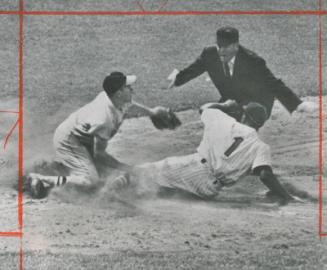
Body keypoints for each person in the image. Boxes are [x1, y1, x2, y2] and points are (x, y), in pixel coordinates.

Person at [116, 102, 300, 205]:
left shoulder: (224, 120)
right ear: (260, 123)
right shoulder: (261, 146)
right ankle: (152, 192)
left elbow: (204, 108)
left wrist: (226, 105)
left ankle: (105, 193)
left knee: (140, 171)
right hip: (210, 189)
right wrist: (285, 195)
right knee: (168, 192)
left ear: (244, 116)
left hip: (193, 168)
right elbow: (265, 174)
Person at [27, 71, 173, 198]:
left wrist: (152, 112)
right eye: (128, 87)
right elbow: (100, 155)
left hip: (83, 138)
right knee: (90, 181)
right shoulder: (104, 119)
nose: (132, 89)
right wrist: (126, 167)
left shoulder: (113, 98)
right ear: (119, 93)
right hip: (70, 142)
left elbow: (130, 105)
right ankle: (43, 180)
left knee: (108, 175)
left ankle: (58, 167)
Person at [167, 26, 316, 123]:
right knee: (215, 120)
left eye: (225, 47)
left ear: (236, 46)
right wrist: (178, 79)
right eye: (219, 46)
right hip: (231, 100)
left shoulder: (253, 61)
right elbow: (196, 68)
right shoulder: (210, 53)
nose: (220, 51)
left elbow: (273, 83)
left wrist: (297, 104)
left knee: (245, 125)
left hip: (258, 103)